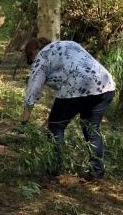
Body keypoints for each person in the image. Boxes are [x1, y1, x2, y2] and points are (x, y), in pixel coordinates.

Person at [21, 38, 116, 181]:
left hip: (77, 87)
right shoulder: (68, 43)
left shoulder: (42, 56)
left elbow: (33, 90)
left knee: (56, 126)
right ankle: (97, 172)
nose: (32, 63)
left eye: (30, 59)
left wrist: (24, 122)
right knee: (91, 128)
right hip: (105, 85)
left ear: (34, 51)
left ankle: (54, 170)